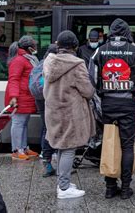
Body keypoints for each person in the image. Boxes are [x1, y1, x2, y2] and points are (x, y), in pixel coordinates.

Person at [90, 18, 135, 199]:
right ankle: (125, 189)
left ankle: (109, 187)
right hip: (129, 104)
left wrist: (104, 91)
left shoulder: (99, 50)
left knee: (109, 141)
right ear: (126, 32)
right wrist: (134, 87)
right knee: (127, 144)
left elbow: (91, 77)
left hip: (107, 104)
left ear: (111, 32)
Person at [43, 31, 95, 199]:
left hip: (53, 111)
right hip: (70, 113)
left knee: (61, 147)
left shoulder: (49, 61)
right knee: (69, 148)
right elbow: (88, 91)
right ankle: (64, 188)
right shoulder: (77, 64)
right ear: (75, 46)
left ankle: (62, 183)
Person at [5, 35, 40, 160]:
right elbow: (13, 79)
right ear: (29, 47)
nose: (36, 47)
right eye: (34, 45)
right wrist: (13, 96)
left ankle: (24, 148)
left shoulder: (27, 58)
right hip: (19, 98)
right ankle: (16, 150)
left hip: (26, 97)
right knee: (18, 123)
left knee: (23, 124)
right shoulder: (19, 60)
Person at [33, 44, 58, 177]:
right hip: (49, 99)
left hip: (39, 99)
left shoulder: (40, 63)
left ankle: (46, 157)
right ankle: (53, 160)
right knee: (55, 129)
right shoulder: (53, 64)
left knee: (47, 127)